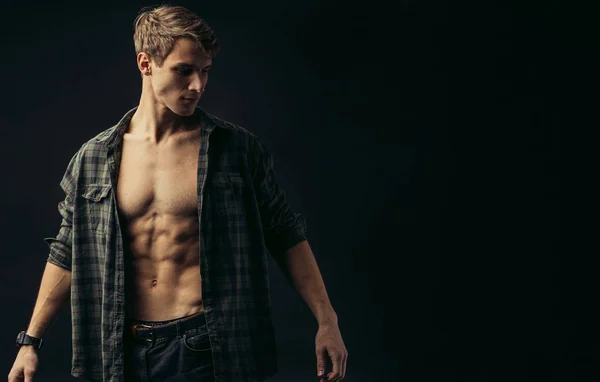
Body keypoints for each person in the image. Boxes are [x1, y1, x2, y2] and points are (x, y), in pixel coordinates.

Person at [8, 4, 347, 382]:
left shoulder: (236, 150)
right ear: (146, 63)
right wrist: (30, 341)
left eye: (205, 72)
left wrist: (327, 320)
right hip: (122, 350)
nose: (198, 85)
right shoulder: (93, 159)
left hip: (205, 346)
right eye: (184, 71)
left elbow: (285, 234)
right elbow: (66, 250)